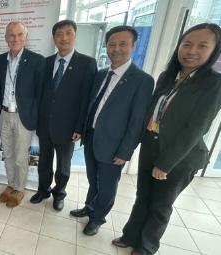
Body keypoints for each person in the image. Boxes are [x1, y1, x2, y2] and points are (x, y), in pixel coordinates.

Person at [112, 23, 221, 255]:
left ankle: (146, 247)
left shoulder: (215, 83)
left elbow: (196, 128)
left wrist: (166, 163)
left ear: (214, 50)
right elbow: (151, 113)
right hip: (151, 146)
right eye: (186, 44)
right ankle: (130, 235)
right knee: (142, 196)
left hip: (180, 157)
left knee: (161, 206)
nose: (191, 50)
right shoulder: (168, 76)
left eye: (202, 46)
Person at [69, 26, 154, 236]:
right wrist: (82, 130)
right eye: (112, 44)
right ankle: (89, 206)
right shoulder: (100, 74)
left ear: (133, 46)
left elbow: (137, 122)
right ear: (106, 46)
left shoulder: (142, 80)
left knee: (107, 185)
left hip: (114, 144)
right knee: (93, 179)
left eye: (123, 44)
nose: (116, 49)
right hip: (91, 137)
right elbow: (90, 105)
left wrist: (125, 151)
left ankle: (97, 219)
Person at [32, 20, 97, 211]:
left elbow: (87, 99)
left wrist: (80, 127)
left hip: (69, 128)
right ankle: (43, 190)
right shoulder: (46, 62)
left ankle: (59, 193)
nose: (64, 38)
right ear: (54, 39)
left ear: (75, 36)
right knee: (43, 162)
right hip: (44, 125)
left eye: (68, 33)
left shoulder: (87, 63)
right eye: (59, 34)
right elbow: (41, 94)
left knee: (63, 166)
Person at [0, 21, 45, 207]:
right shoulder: (0, 60)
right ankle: (10, 184)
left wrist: (37, 119)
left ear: (25, 37)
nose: (15, 38)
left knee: (20, 156)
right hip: (4, 113)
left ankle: (20, 189)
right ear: (6, 38)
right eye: (11, 35)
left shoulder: (37, 60)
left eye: (19, 35)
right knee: (7, 153)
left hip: (24, 116)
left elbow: (40, 93)